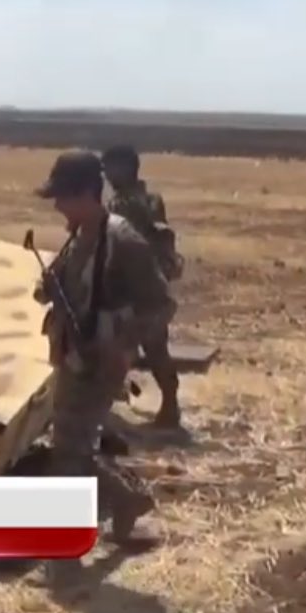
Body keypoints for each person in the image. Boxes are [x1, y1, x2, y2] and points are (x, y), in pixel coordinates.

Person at [32, 150, 171, 555]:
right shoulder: (81, 233)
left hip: (100, 360)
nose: (57, 205)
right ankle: (121, 505)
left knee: (69, 450)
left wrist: (120, 341)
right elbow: (63, 282)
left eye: (62, 196)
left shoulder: (122, 240)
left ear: (86, 194)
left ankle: (90, 521)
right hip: (74, 354)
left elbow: (160, 304)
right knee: (71, 445)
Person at [100, 145, 184, 428]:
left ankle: (170, 407)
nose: (107, 174)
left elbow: (157, 235)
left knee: (155, 348)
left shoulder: (144, 202)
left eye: (110, 167)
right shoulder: (119, 202)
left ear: (126, 168)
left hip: (144, 288)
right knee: (118, 346)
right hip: (122, 287)